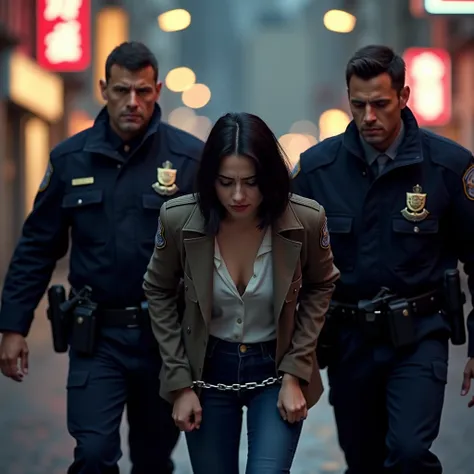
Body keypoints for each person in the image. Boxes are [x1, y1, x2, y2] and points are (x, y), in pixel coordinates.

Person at [0, 41, 203, 474]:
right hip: (98, 338)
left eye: (144, 92)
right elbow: (38, 245)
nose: (133, 102)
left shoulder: (188, 159)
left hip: (163, 340)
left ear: (158, 90)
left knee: (153, 458)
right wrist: (13, 326)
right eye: (122, 90)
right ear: (103, 89)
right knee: (92, 454)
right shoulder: (71, 159)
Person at [291, 44, 474, 473]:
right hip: (349, 342)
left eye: (380, 104)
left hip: (419, 337)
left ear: (404, 97)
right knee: (363, 461)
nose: (368, 116)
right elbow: (286, 264)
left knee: (410, 452)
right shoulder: (318, 170)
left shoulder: (448, 166)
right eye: (358, 105)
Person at [142, 112, 340, 474]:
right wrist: (180, 383)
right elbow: (157, 289)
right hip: (207, 369)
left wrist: (295, 373)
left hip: (275, 369)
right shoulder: (178, 218)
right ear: (209, 180)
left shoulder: (306, 220)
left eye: (251, 182)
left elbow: (322, 284)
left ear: (270, 178)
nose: (237, 195)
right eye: (225, 182)